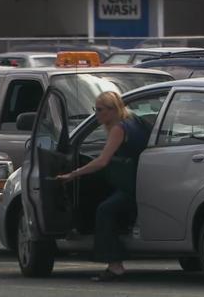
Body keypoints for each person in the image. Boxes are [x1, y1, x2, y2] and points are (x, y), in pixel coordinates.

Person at [56, 91, 149, 282]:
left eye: (99, 110)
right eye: (95, 109)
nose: (96, 114)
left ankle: (115, 265)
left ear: (113, 110)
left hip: (131, 188)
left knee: (105, 211)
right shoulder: (135, 121)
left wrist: (73, 174)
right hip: (143, 182)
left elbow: (102, 161)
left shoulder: (119, 129)